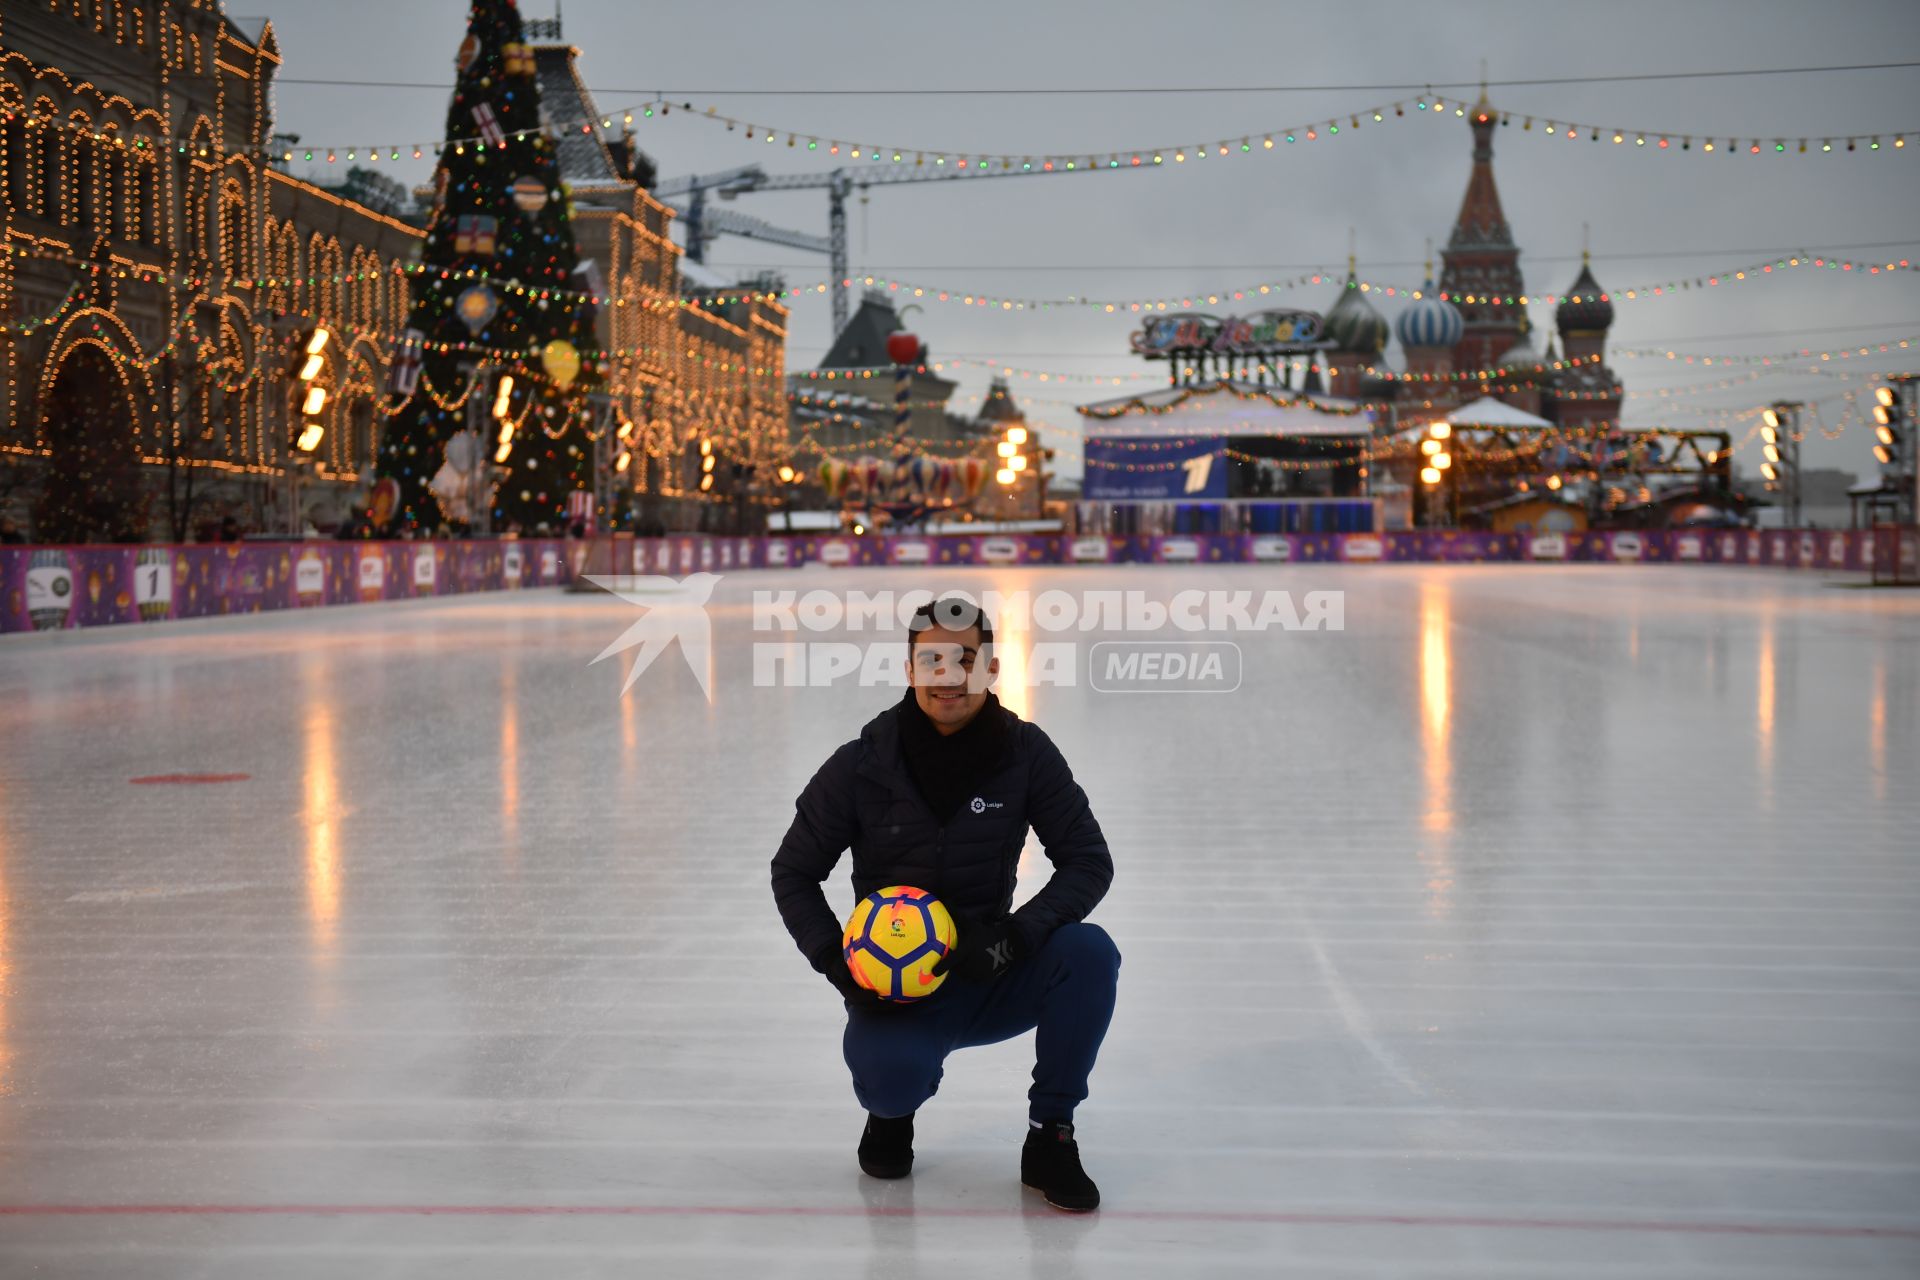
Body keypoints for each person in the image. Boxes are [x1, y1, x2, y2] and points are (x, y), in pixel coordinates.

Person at [771, 597, 1119, 1212]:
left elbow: (1089, 860)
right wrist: (836, 962)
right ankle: (891, 1114)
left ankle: (1050, 1136)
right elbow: (794, 871)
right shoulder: (862, 763)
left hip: (990, 971)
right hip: (897, 989)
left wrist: (1018, 935)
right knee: (889, 1077)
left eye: (966, 658)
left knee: (1088, 953)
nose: (948, 676)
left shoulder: (1026, 753)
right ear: (909, 670)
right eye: (930, 659)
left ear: (989, 668)